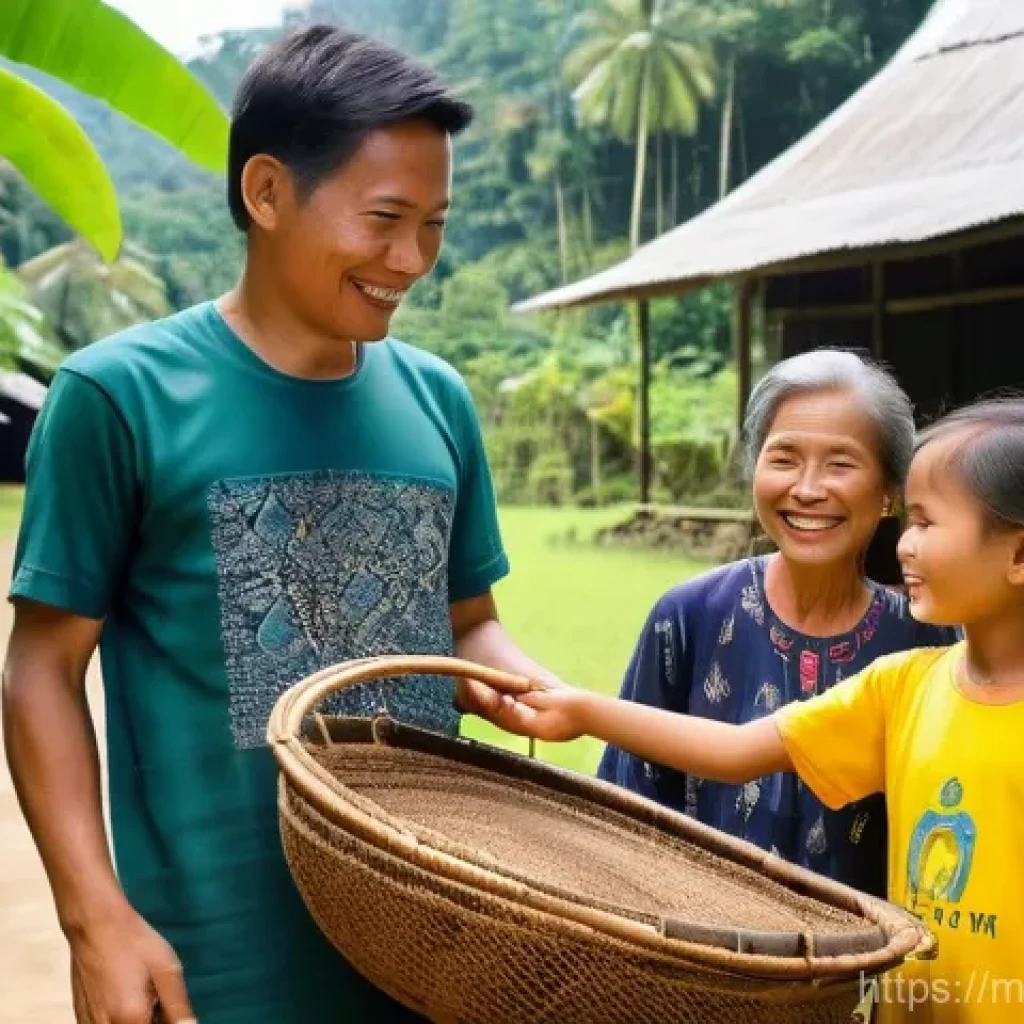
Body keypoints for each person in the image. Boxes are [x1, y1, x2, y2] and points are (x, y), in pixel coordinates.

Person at [2, 26, 560, 1024]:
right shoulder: (118, 396)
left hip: (430, 940)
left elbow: (467, 618)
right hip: (214, 962)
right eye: (385, 218)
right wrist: (96, 923)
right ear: (265, 193)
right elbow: (41, 667)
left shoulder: (439, 399)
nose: (412, 259)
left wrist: (506, 675)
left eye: (434, 223)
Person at [472, 397, 1024, 1024]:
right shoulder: (903, 685)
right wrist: (583, 711)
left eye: (926, 522)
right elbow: (736, 752)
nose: (905, 546)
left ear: (1019, 555)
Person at [598, 350, 955, 898]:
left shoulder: (927, 637)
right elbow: (621, 809)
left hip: (869, 967)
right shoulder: (689, 617)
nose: (808, 489)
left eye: (841, 464)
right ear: (754, 468)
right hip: (695, 955)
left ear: (890, 492)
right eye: (784, 458)